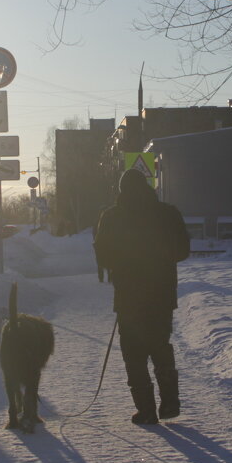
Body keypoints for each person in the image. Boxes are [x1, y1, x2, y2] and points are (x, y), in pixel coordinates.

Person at [94, 168, 191, 424]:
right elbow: (183, 250)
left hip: (129, 296)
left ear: (122, 191)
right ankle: (170, 403)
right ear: (148, 187)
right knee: (160, 346)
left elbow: (103, 257)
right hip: (161, 294)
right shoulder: (168, 214)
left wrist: (123, 262)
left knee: (133, 354)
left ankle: (146, 410)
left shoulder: (112, 217)